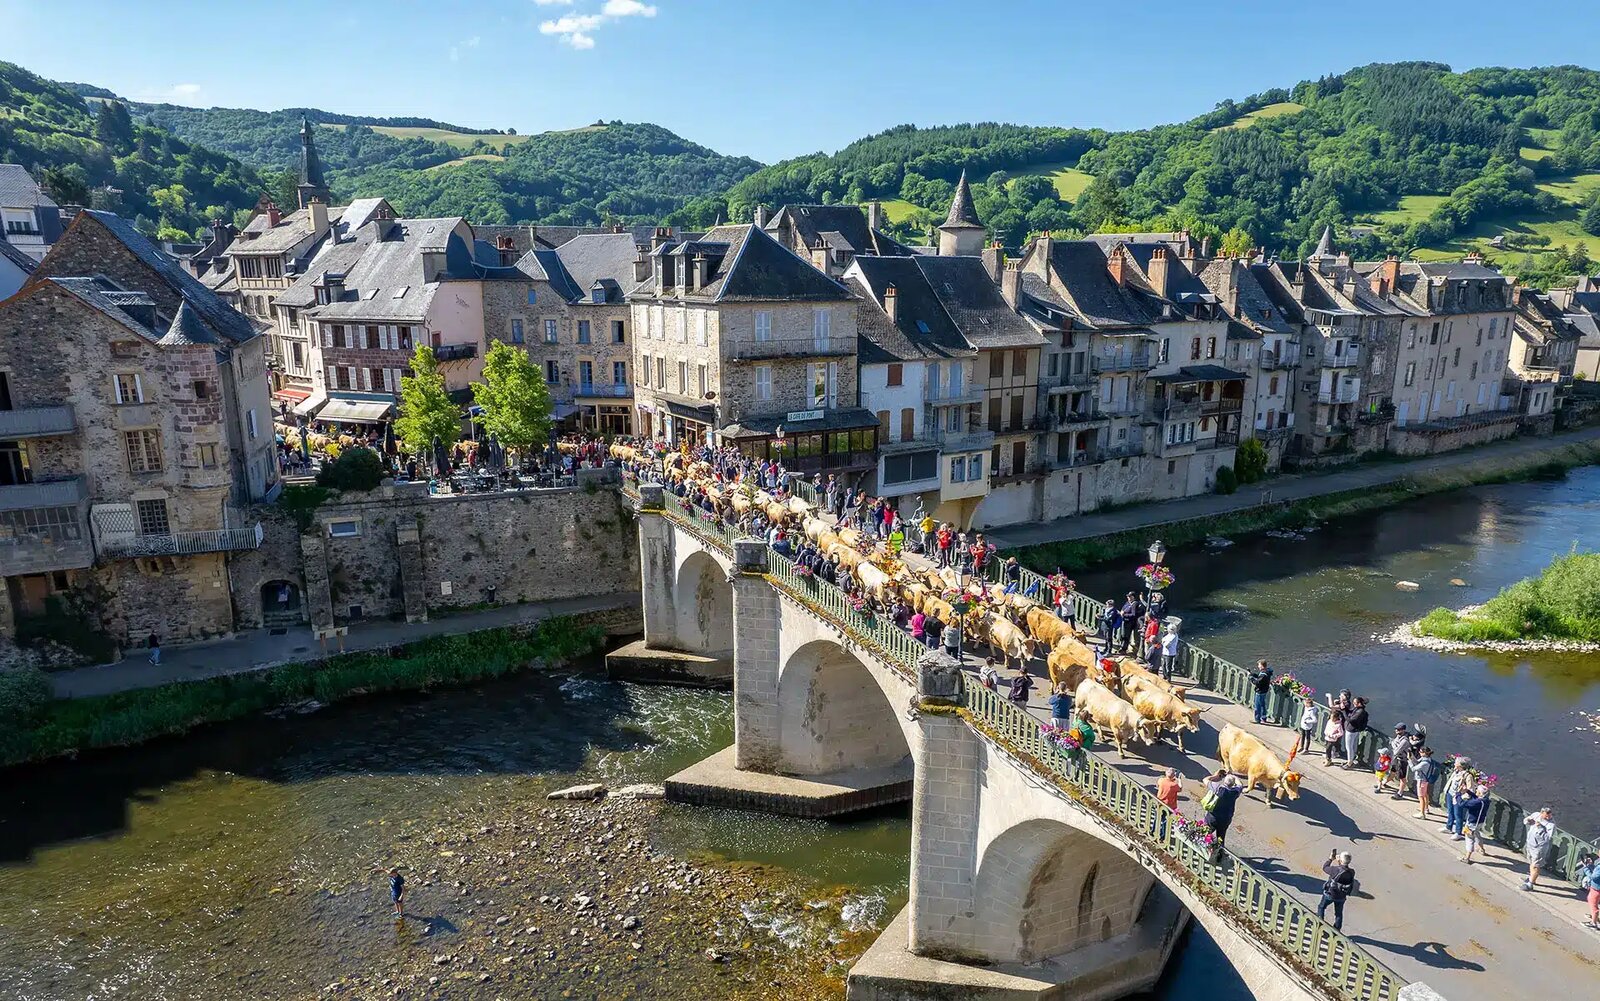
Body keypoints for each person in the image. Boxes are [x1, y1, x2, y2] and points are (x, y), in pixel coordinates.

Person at [1317, 851, 1356, 931]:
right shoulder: (1352, 872)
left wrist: (1330, 859)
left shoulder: (1335, 870)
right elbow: (1343, 869)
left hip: (1330, 894)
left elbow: (1325, 867)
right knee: (1338, 914)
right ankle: (1336, 929)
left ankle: (1320, 924)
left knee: (1321, 907)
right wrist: (1340, 861)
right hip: (1341, 897)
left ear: (1340, 860)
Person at [1523, 806, 1557, 890]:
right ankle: (1531, 878)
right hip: (1530, 843)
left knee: (1536, 865)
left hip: (1539, 847)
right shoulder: (1536, 815)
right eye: (1546, 816)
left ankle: (1530, 884)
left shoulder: (1551, 825)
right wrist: (1528, 820)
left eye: (1550, 816)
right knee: (1531, 863)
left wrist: (1540, 827)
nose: (1548, 818)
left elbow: (1548, 838)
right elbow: (1525, 821)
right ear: (1541, 813)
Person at [1204, 775, 1243, 844]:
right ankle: (1219, 849)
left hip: (1212, 817)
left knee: (1204, 833)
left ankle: (1202, 845)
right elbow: (1240, 785)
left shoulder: (1218, 788)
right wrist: (1234, 777)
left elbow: (1205, 779)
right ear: (1233, 784)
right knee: (1221, 838)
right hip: (1225, 819)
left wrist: (1215, 776)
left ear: (1224, 781)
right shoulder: (1235, 792)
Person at [1441, 757, 1472, 841]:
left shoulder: (1467, 776)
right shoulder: (1456, 772)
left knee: (1458, 815)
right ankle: (1449, 827)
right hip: (1450, 793)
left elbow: (1470, 789)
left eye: (1456, 763)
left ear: (1460, 765)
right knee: (1450, 811)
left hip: (1458, 797)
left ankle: (1458, 832)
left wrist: (1462, 798)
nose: (1454, 764)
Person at [1460, 784, 1491, 865]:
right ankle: (1482, 849)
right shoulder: (1486, 801)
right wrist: (1468, 791)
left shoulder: (1477, 802)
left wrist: (1458, 794)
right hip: (1480, 822)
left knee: (1469, 839)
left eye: (1477, 790)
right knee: (1477, 835)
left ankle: (1467, 858)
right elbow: (1477, 797)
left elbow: (1462, 804)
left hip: (1472, 823)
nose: (1476, 791)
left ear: (1480, 793)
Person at [1380, 724, 1410, 798]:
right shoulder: (1398, 737)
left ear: (1403, 730)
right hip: (1396, 758)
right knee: (1392, 772)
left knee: (1402, 777)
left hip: (1402, 760)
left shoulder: (1405, 740)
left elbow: (1396, 751)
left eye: (1399, 729)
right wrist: (1394, 743)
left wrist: (1393, 743)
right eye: (1396, 729)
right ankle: (1383, 783)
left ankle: (1400, 793)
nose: (1396, 731)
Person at [1411, 746, 1440, 821]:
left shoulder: (1424, 763)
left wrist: (1409, 761)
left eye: (1420, 752)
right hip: (1426, 780)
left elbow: (1413, 769)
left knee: (1421, 797)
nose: (1419, 753)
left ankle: (1422, 813)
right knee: (1425, 794)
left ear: (1425, 753)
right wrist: (1411, 757)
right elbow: (1417, 762)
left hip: (1421, 781)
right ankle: (1426, 808)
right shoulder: (1428, 759)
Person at [1342, 697, 1369, 769]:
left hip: (1352, 730)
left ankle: (1349, 763)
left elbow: (1350, 720)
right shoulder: (1357, 709)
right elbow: (1350, 712)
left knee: (1349, 747)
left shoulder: (1360, 712)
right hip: (1353, 730)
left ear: (1359, 703)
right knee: (1352, 746)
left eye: (1355, 703)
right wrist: (1345, 708)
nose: (1353, 704)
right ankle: (1351, 759)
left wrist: (1344, 711)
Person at [1579, 853, 1600, 929]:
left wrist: (1586, 868)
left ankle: (1594, 923)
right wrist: (1590, 865)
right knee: (1593, 902)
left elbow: (1593, 877)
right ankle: (1595, 917)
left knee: (1593, 904)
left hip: (1596, 888)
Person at [1248, 660, 1272, 724]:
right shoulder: (1267, 672)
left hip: (1260, 691)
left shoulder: (1263, 674)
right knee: (1262, 705)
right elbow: (1259, 677)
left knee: (1257, 706)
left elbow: (1257, 683)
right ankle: (1264, 717)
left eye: (1259, 665)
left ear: (1261, 665)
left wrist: (1251, 678)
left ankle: (1257, 719)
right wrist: (1252, 674)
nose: (1258, 666)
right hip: (1264, 691)